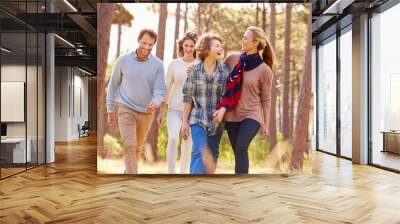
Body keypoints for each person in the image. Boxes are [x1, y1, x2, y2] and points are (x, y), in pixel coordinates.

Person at [106, 28, 166, 174]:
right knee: (130, 144)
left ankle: (129, 172)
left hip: (147, 112)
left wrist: (156, 101)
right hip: (126, 107)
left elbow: (159, 90)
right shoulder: (123, 60)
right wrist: (110, 110)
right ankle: (132, 178)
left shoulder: (158, 64)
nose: (146, 47)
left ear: (154, 45)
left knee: (137, 147)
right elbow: (113, 85)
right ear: (138, 40)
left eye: (150, 45)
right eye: (144, 43)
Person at [218, 26, 275, 174]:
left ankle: (241, 183)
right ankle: (242, 181)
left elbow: (266, 99)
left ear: (255, 42)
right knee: (239, 153)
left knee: (241, 147)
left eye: (245, 37)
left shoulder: (264, 70)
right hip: (231, 115)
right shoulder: (232, 59)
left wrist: (266, 125)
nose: (242, 40)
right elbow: (214, 72)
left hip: (251, 115)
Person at [182, 33, 230, 174]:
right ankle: (195, 186)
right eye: (217, 45)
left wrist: (222, 110)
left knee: (213, 154)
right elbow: (187, 97)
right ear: (206, 49)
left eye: (221, 46)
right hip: (198, 118)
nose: (220, 48)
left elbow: (228, 96)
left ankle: (207, 187)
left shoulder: (225, 71)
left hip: (217, 122)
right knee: (199, 150)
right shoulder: (194, 71)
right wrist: (185, 122)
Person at [158, 32, 199, 174]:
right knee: (174, 138)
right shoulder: (174, 64)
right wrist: (161, 112)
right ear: (182, 45)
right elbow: (167, 88)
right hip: (174, 109)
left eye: (192, 46)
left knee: (187, 142)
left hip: (193, 111)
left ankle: (183, 173)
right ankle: (170, 172)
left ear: (196, 47)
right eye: (186, 45)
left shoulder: (199, 64)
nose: (188, 48)